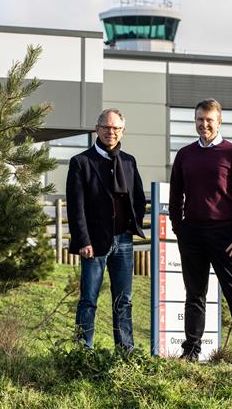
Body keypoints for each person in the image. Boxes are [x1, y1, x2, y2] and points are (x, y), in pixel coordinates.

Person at [169, 98, 232, 366]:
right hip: (193, 234)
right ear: (194, 121)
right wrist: (179, 228)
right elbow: (175, 196)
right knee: (194, 294)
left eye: (209, 120)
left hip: (226, 235)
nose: (204, 124)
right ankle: (191, 351)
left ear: (219, 122)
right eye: (199, 119)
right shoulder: (185, 155)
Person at [67, 108, 146, 350]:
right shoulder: (81, 162)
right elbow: (75, 206)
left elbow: (139, 199)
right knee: (88, 300)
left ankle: (125, 351)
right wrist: (83, 240)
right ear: (97, 128)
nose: (110, 132)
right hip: (94, 243)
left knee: (124, 301)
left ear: (123, 131)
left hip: (123, 241)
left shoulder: (129, 161)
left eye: (116, 128)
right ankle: (84, 350)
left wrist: (134, 225)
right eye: (106, 127)